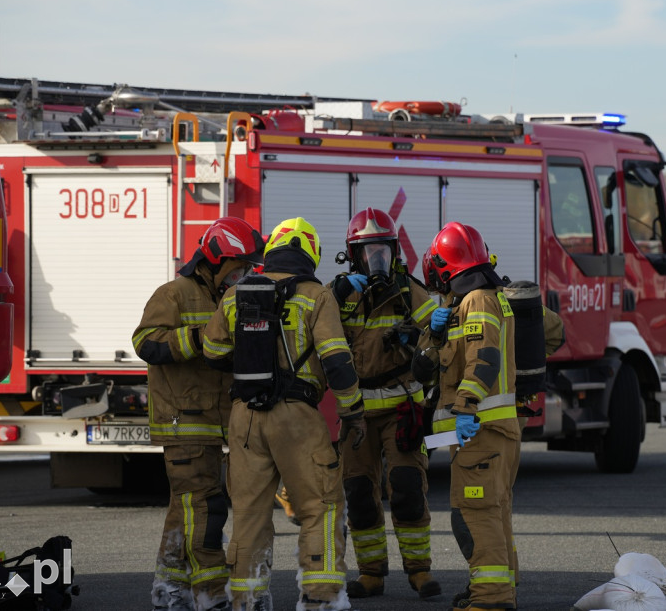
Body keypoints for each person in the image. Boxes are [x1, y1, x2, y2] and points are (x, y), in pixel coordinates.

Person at [200, 216, 367, 611]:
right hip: (297, 417)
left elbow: (213, 351)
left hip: (245, 416)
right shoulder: (316, 295)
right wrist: (353, 410)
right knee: (321, 507)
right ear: (310, 253)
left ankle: (247, 601)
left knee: (250, 515)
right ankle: (321, 598)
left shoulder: (237, 293)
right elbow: (337, 361)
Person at [132, 217, 264, 611]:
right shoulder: (174, 294)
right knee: (206, 509)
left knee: (185, 509)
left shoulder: (233, 297)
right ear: (215, 260)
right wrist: (201, 338)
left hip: (215, 423)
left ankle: (168, 589)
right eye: (238, 267)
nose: (243, 275)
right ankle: (210, 593)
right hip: (183, 421)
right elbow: (145, 342)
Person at [327, 208, 441, 600]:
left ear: (394, 251)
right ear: (353, 255)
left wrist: (417, 344)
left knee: (408, 487)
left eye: (382, 250)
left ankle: (420, 571)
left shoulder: (410, 292)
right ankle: (371, 574)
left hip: (400, 410)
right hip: (357, 417)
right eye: (367, 251)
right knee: (358, 492)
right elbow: (312, 333)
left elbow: (439, 338)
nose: (376, 259)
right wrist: (334, 297)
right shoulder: (340, 296)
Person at [411, 222, 520, 611]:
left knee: (474, 516)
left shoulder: (476, 300)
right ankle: (499, 589)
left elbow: (483, 359)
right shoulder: (476, 300)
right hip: (488, 432)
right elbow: (431, 367)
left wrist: (466, 408)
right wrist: (435, 334)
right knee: (494, 513)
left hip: (479, 430)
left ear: (446, 265)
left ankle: (491, 600)